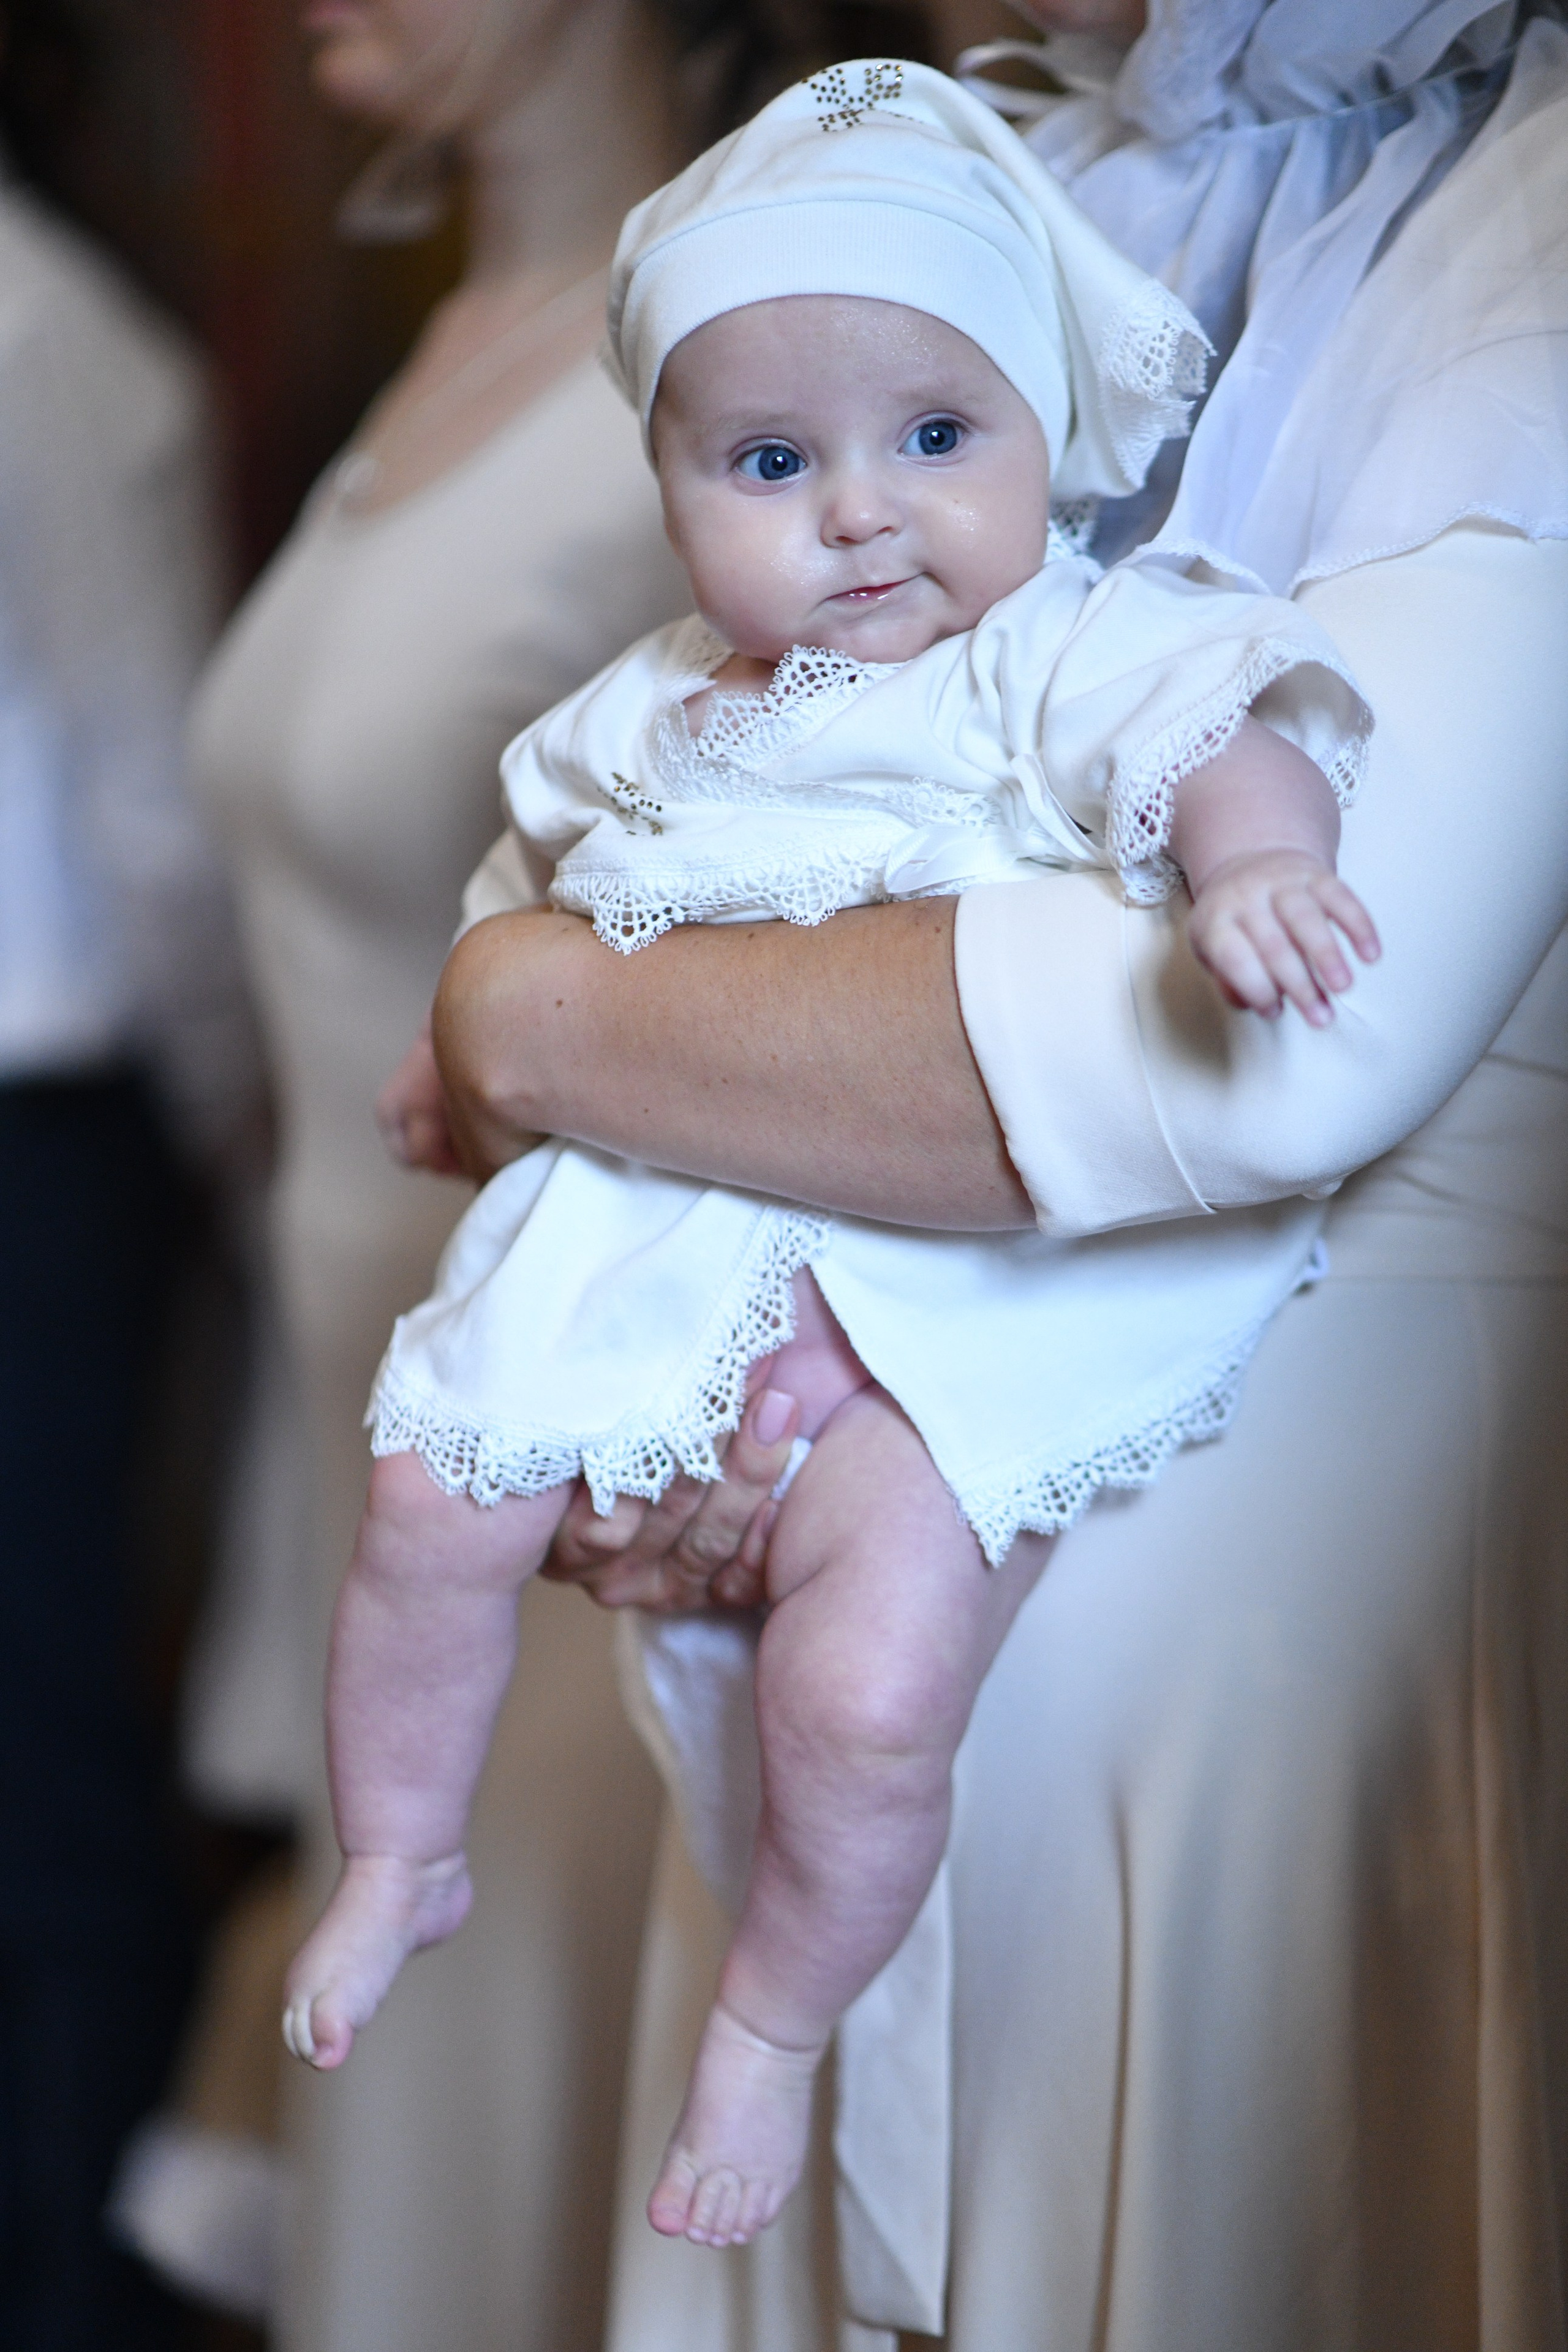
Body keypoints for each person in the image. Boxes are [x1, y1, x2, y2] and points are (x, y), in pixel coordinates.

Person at [420, 3, 1568, 2344]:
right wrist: (644, 1357)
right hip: (814, 1676)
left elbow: (1266, 1060)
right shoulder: (943, 196)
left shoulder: (1516, 243)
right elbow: (663, 798)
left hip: (1274, 1695)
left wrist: (530, 1020)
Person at [193, 3, 928, 2344]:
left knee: (560, 2171)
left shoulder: (763, 371)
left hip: (576, 1424)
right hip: (355, 1402)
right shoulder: (463, 343)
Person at [0, 122, 260, 2346]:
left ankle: (94, 2289)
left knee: (53, 1743)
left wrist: (225, 1149)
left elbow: (154, 799)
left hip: (47, 1127)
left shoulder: (45, 337)